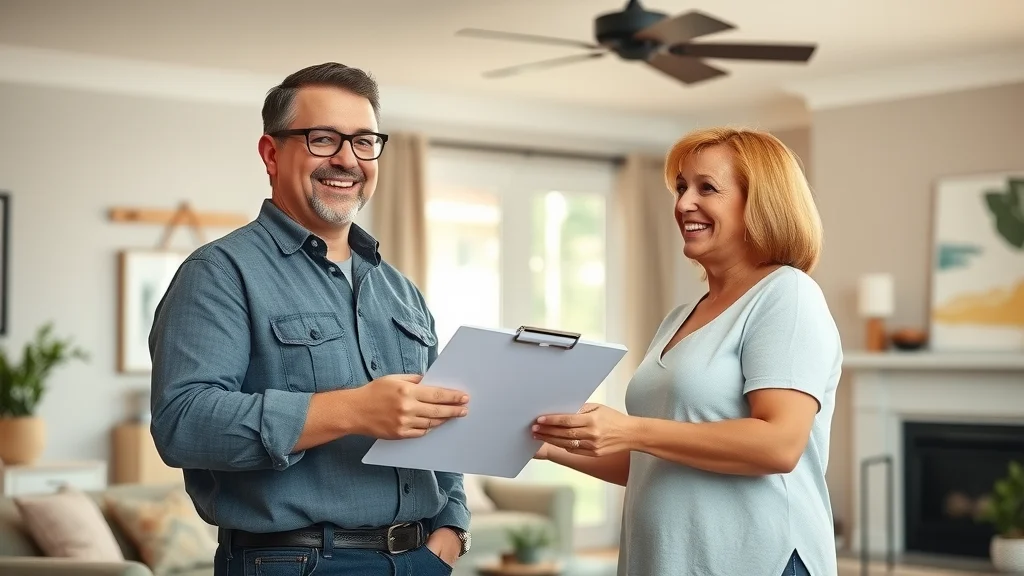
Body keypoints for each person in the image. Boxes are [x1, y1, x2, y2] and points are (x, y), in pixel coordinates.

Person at [149, 62, 472, 576]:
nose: (347, 160)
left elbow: (438, 427)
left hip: (421, 561)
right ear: (271, 154)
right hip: (293, 562)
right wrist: (351, 411)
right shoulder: (219, 273)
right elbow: (182, 425)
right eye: (323, 139)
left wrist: (452, 529)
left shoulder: (401, 290)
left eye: (364, 142)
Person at [532, 127, 841, 576]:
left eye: (706, 188)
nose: (682, 204)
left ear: (761, 203)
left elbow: (779, 443)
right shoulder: (679, 317)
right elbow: (653, 463)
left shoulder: (786, 295)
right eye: (680, 187)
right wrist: (549, 447)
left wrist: (631, 429)